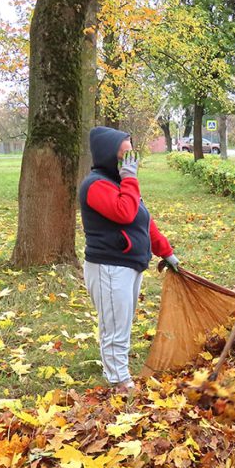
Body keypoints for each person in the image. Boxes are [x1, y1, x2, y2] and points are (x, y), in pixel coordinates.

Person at [79, 126, 179, 393]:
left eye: (131, 154)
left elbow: (143, 220)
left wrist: (165, 251)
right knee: (114, 325)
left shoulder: (121, 183)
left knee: (122, 321)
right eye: (124, 154)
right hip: (109, 265)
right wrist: (130, 178)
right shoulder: (96, 185)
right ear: (108, 155)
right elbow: (124, 214)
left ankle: (117, 371)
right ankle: (119, 381)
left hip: (129, 265)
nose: (129, 160)